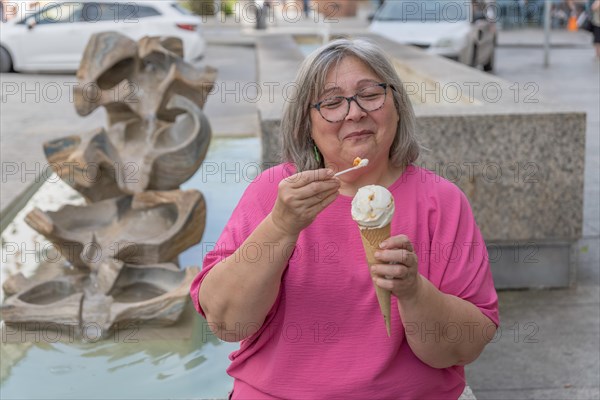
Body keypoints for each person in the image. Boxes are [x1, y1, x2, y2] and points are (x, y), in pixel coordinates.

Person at [190, 38, 499, 399]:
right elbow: (226, 322)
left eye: (370, 94)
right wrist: (281, 225)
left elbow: (466, 347)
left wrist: (414, 291)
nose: (354, 113)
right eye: (332, 102)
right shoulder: (274, 192)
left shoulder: (442, 201)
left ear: (396, 105)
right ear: (307, 123)